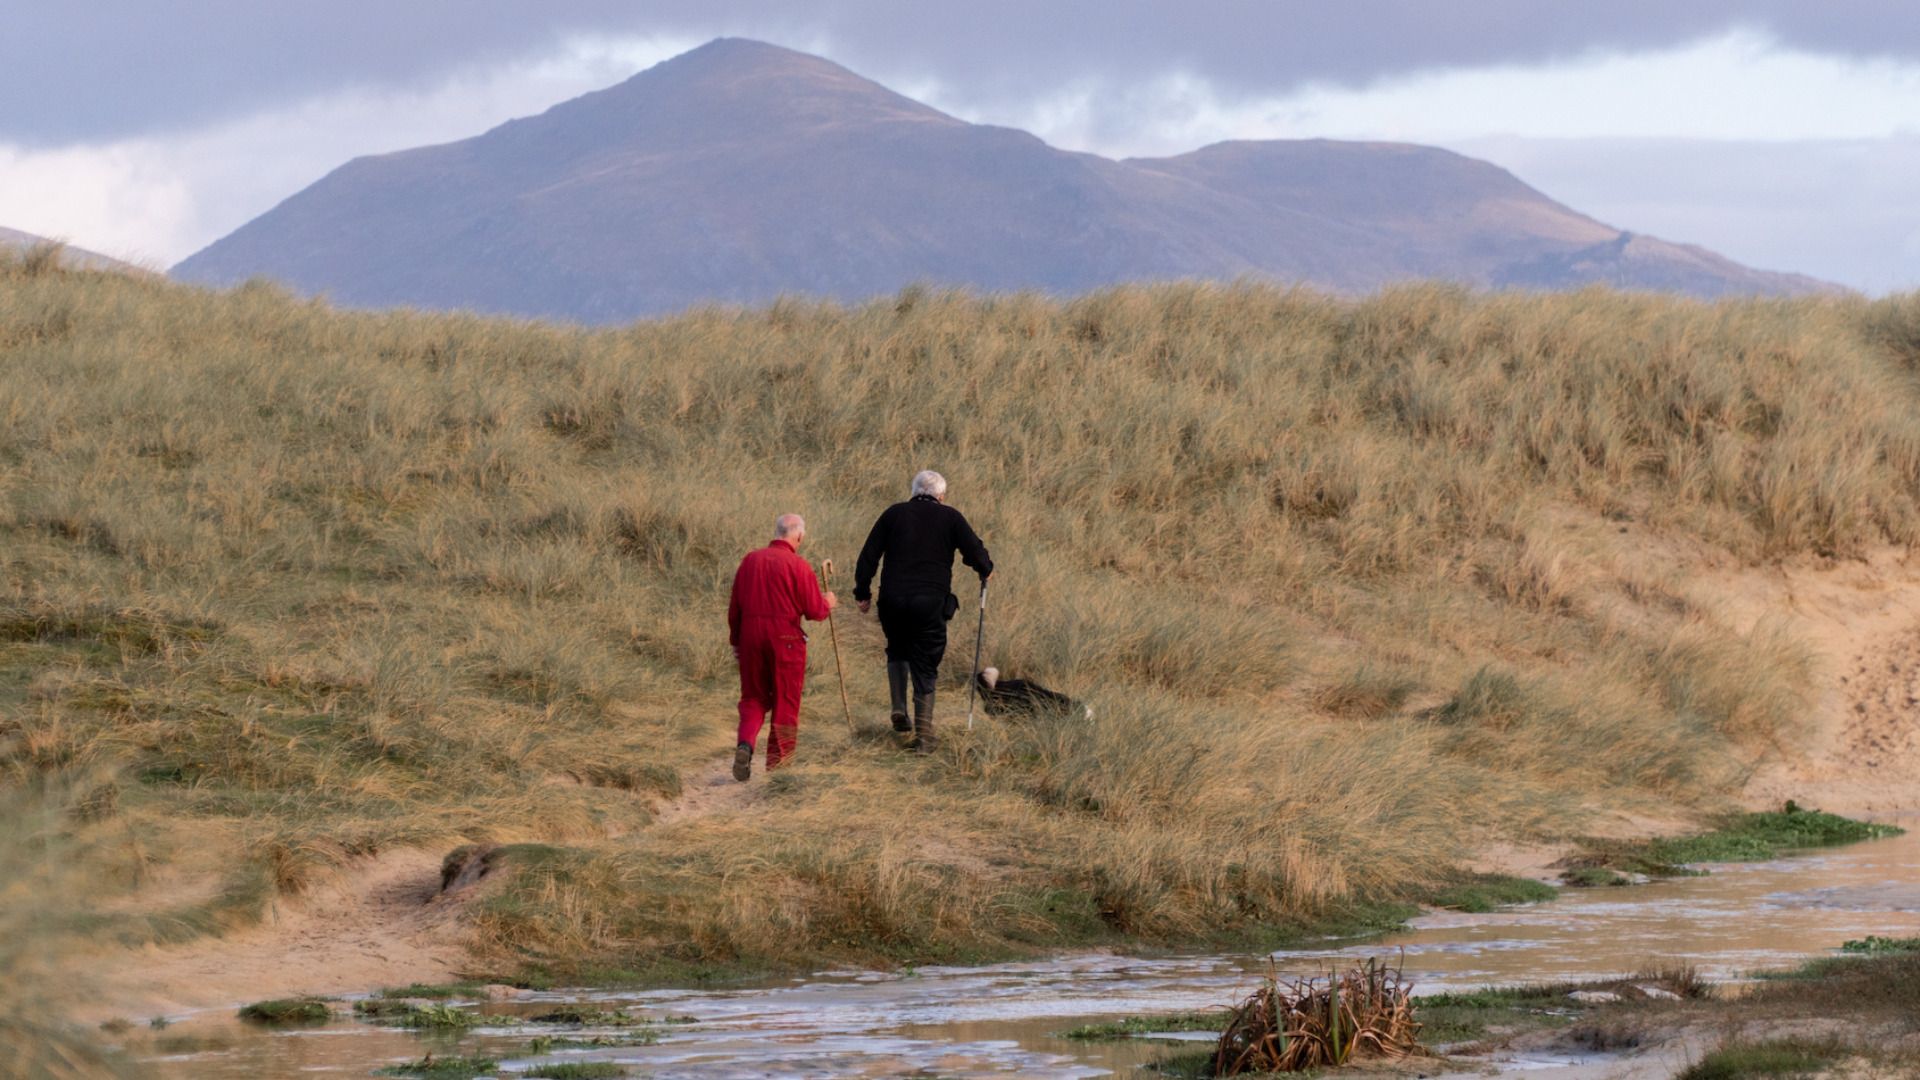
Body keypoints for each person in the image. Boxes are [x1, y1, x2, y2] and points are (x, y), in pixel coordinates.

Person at [853, 470, 992, 751]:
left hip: (892, 600)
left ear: (914, 491)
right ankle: (924, 736)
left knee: (897, 647)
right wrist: (985, 570)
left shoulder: (893, 514)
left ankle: (898, 707)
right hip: (929, 603)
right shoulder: (951, 517)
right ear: (941, 495)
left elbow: (869, 555)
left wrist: (863, 592)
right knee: (926, 663)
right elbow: (975, 552)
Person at [728, 513, 835, 781]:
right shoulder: (798, 565)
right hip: (786, 640)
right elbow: (815, 611)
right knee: (786, 703)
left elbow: (735, 606)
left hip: (751, 637)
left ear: (777, 532)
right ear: (798, 536)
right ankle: (779, 770)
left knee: (753, 698)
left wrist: (736, 641)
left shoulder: (750, 560)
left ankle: (745, 745)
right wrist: (828, 603)